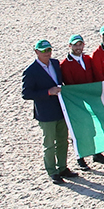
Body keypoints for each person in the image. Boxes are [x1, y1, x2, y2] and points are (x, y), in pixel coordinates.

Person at [22, 40, 75, 185]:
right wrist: (48, 92)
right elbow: (26, 93)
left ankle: (63, 167)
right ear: (36, 52)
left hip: (60, 109)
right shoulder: (31, 71)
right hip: (45, 113)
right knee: (49, 144)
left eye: (49, 50)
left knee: (63, 141)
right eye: (43, 51)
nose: (47, 53)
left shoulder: (56, 64)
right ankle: (52, 171)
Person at [58, 34, 104, 170]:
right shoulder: (65, 64)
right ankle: (80, 158)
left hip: (90, 99)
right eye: (75, 45)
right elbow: (70, 84)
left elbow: (95, 76)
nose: (78, 47)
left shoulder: (87, 59)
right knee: (80, 130)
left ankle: (96, 153)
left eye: (80, 44)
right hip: (76, 102)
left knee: (92, 128)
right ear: (70, 46)